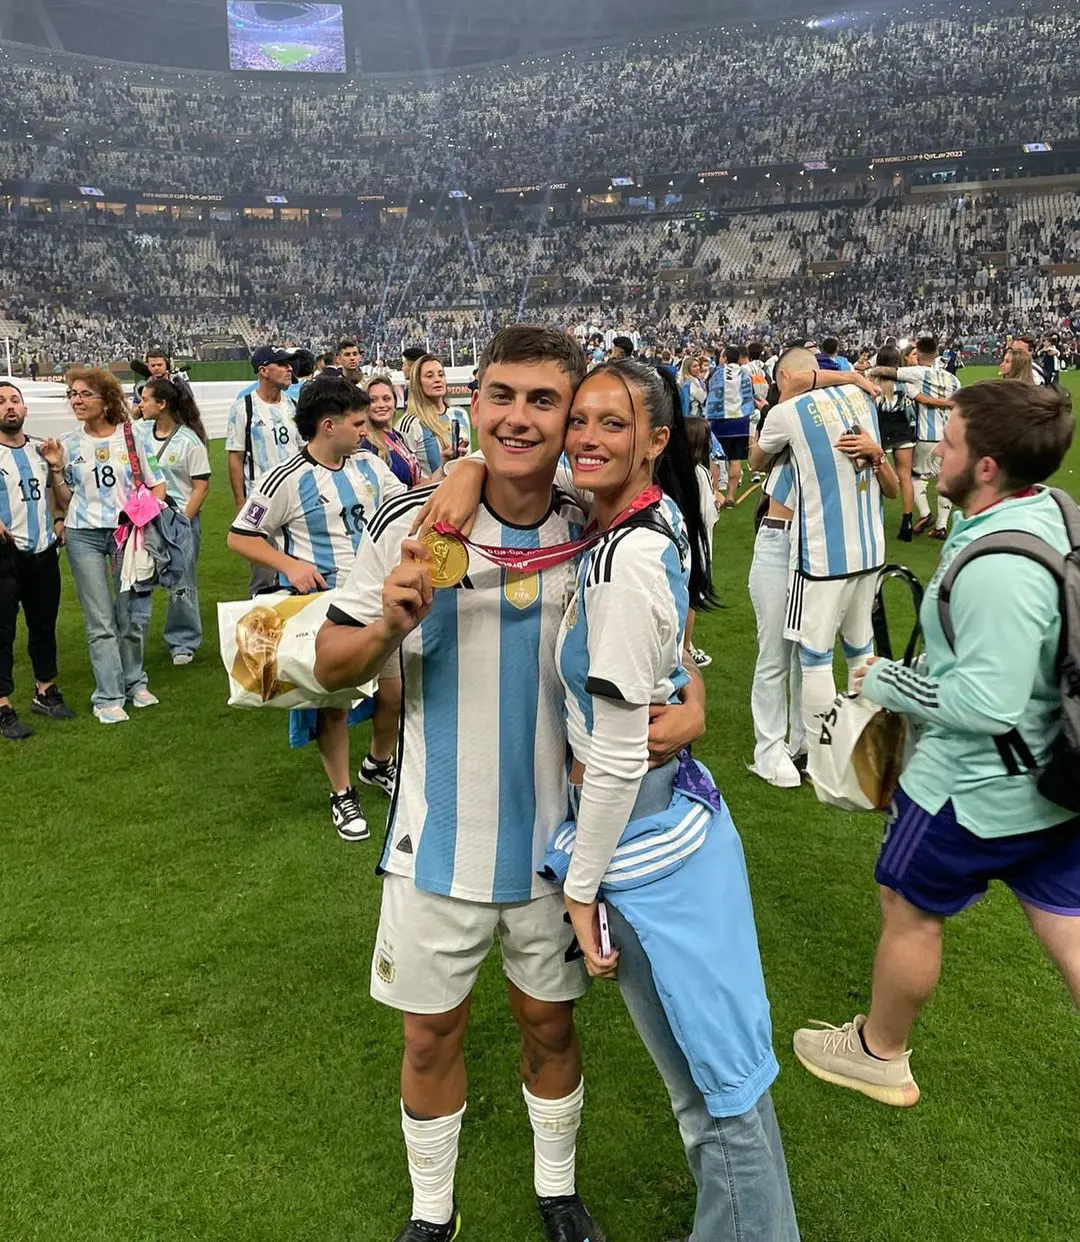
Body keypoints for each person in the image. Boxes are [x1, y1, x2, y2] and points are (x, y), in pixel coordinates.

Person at [314, 326, 704, 1242]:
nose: (517, 417)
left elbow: (671, 654)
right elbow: (331, 663)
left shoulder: (598, 529)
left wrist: (696, 705)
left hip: (554, 850)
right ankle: (430, 1213)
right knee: (427, 1037)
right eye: (500, 396)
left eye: (542, 400)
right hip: (431, 843)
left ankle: (558, 1191)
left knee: (550, 1029)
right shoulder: (413, 523)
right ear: (471, 405)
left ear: (572, 416)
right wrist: (382, 634)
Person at [550, 358, 798, 1242]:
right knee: (719, 1080)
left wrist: (580, 892)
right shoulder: (644, 518)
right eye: (579, 419)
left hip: (646, 846)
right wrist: (692, 698)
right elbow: (675, 655)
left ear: (655, 441)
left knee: (714, 1093)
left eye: (611, 424)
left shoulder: (626, 563)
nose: (583, 438)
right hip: (677, 824)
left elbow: (617, 757)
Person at [793, 380, 1080, 1107]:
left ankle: (878, 1053)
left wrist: (889, 681)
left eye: (947, 446)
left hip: (974, 786)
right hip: (1050, 774)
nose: (932, 457)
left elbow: (986, 701)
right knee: (1066, 918)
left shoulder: (998, 568)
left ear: (985, 466)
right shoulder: (1046, 511)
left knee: (907, 901)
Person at [228, 375, 407, 840]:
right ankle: (341, 793)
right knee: (334, 705)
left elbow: (404, 505)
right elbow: (239, 536)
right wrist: (289, 564)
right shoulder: (284, 479)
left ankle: (378, 763)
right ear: (329, 426)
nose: (365, 432)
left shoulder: (369, 465)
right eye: (358, 423)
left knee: (395, 693)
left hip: (376, 598)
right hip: (326, 608)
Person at [755, 348, 899, 737]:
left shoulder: (785, 415)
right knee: (860, 649)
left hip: (818, 552)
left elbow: (755, 461)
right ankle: (861, 739)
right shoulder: (861, 398)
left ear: (784, 377)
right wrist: (851, 378)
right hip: (869, 550)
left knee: (813, 656)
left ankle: (820, 752)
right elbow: (892, 489)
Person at [50, 368, 167, 724]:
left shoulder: (132, 437)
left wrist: (147, 522)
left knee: (130, 614)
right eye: (73, 394)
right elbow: (67, 498)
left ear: (106, 400)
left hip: (126, 534)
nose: (77, 400)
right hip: (83, 534)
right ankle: (108, 695)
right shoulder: (68, 444)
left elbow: (156, 484)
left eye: (85, 394)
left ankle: (135, 681)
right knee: (99, 620)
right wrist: (57, 470)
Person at [0, 380, 76, 739]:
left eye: (15, 400)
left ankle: (45, 690)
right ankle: (2, 703)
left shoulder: (40, 450)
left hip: (44, 551)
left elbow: (61, 499)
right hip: (5, 555)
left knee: (43, 626)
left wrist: (59, 515)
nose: (9, 407)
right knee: (2, 630)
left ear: (25, 409)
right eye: (1, 402)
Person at [138, 376, 211, 666]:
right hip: (142, 520)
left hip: (177, 520)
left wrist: (183, 520)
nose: (140, 404)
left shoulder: (188, 440)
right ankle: (134, 637)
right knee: (137, 579)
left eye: (145, 399)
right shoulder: (139, 431)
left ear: (162, 404)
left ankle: (182, 641)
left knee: (181, 582)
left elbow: (200, 485)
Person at [871, 335, 959, 541]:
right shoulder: (952, 379)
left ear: (918, 354)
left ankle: (926, 514)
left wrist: (870, 370)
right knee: (943, 478)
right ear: (937, 354)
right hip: (947, 435)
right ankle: (941, 525)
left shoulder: (915, 374)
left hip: (925, 434)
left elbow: (888, 372)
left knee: (914, 477)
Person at [225, 345, 297, 595]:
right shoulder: (244, 407)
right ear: (264, 370)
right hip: (261, 501)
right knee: (264, 577)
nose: (290, 369)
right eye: (283, 364)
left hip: (296, 501)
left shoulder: (294, 406)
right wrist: (239, 502)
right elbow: (235, 457)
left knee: (298, 570)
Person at [396, 354, 471, 480]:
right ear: (417, 382)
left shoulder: (460, 414)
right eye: (429, 376)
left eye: (441, 375)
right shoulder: (409, 424)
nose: (438, 380)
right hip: (430, 497)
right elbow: (406, 479)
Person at [872, 344, 918, 542]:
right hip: (903, 432)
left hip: (881, 433)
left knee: (877, 478)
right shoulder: (905, 384)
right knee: (905, 478)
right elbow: (911, 411)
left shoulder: (871, 384)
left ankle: (874, 522)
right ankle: (907, 523)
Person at [682, 415, 717, 669]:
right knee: (691, 598)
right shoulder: (699, 473)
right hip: (696, 545)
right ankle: (686, 648)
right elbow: (708, 515)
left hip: (680, 543)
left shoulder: (674, 471)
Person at [706, 344, 756, 508]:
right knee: (734, 460)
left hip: (720, 421)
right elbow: (750, 395)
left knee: (715, 459)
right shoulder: (744, 373)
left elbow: (712, 395)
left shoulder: (717, 373)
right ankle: (730, 497)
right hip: (740, 421)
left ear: (725, 358)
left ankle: (715, 494)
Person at [359, 375, 421, 489]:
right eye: (373, 400)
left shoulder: (398, 436)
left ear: (395, 403)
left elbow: (415, 481)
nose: (381, 405)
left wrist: (444, 465)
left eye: (386, 399)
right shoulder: (366, 444)